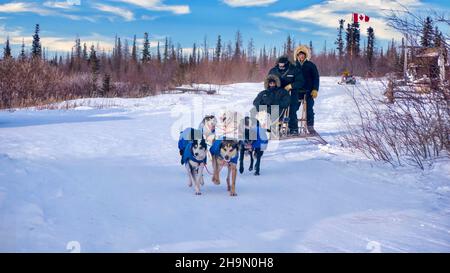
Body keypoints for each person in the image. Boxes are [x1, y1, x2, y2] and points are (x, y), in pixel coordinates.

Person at [268, 56, 304, 133]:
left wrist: (291, 85)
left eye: (282, 64)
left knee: (292, 110)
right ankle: (276, 128)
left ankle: (293, 129)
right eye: (279, 64)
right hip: (278, 93)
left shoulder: (294, 70)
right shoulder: (273, 71)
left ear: (286, 64)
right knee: (276, 109)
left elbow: (301, 82)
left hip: (292, 93)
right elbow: (268, 81)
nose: (281, 66)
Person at [291, 45, 320, 135]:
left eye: (303, 54)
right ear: (297, 55)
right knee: (293, 109)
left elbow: (316, 78)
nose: (301, 56)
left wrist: (315, 89)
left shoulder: (311, 65)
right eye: (300, 54)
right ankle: (293, 128)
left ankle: (310, 127)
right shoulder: (293, 66)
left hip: (308, 92)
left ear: (305, 55)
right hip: (296, 91)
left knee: (309, 109)